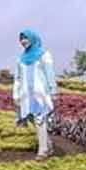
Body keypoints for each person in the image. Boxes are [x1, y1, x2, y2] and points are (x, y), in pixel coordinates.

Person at [13, 28, 57, 158]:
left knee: (40, 119)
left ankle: (42, 150)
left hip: (40, 94)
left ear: (32, 38)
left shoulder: (44, 55)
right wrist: (15, 94)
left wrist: (53, 90)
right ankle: (48, 144)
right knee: (31, 117)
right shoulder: (20, 59)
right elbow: (18, 78)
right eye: (21, 39)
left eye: (25, 38)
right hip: (26, 95)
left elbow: (50, 73)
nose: (23, 41)